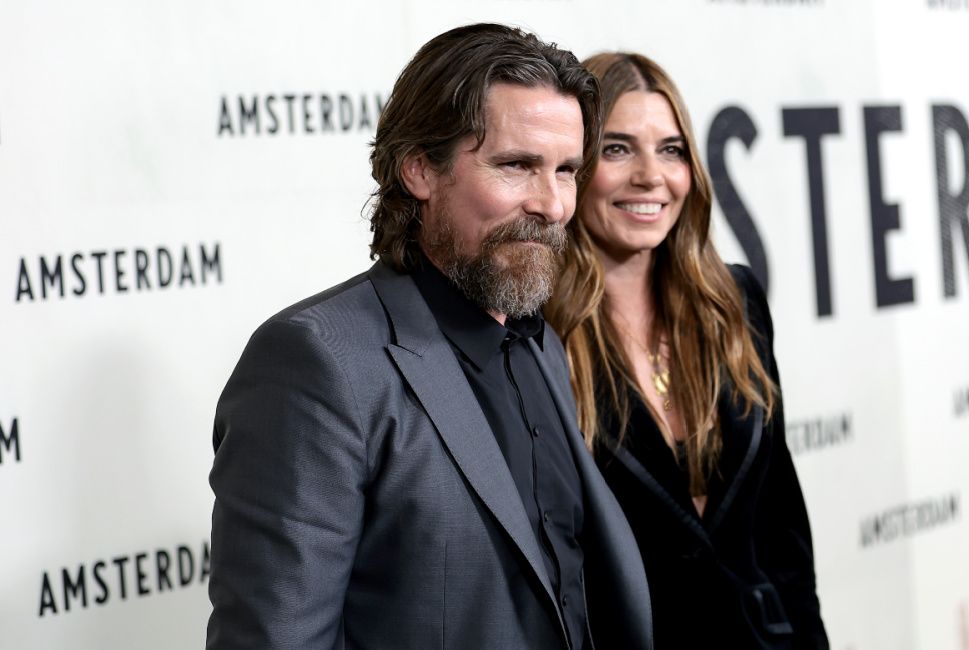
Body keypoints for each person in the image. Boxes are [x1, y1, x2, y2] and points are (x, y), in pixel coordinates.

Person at [206, 25, 651, 650]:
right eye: (517, 166)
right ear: (418, 167)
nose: (552, 204)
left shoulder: (541, 343)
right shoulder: (317, 364)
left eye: (568, 170)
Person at [545, 52, 830, 650]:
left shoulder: (735, 302)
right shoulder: (537, 334)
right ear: (574, 166)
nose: (651, 176)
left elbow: (783, 530)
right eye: (618, 148)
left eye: (671, 150)